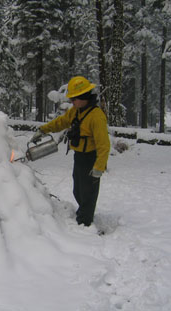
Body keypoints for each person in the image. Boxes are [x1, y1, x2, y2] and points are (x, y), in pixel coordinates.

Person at [31, 76, 110, 227]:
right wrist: (43, 130)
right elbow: (60, 122)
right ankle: (84, 213)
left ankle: (85, 223)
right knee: (78, 190)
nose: (72, 102)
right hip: (79, 156)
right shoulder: (76, 111)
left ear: (84, 97)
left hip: (91, 159)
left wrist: (99, 167)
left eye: (74, 99)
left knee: (88, 193)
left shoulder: (96, 116)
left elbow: (103, 145)